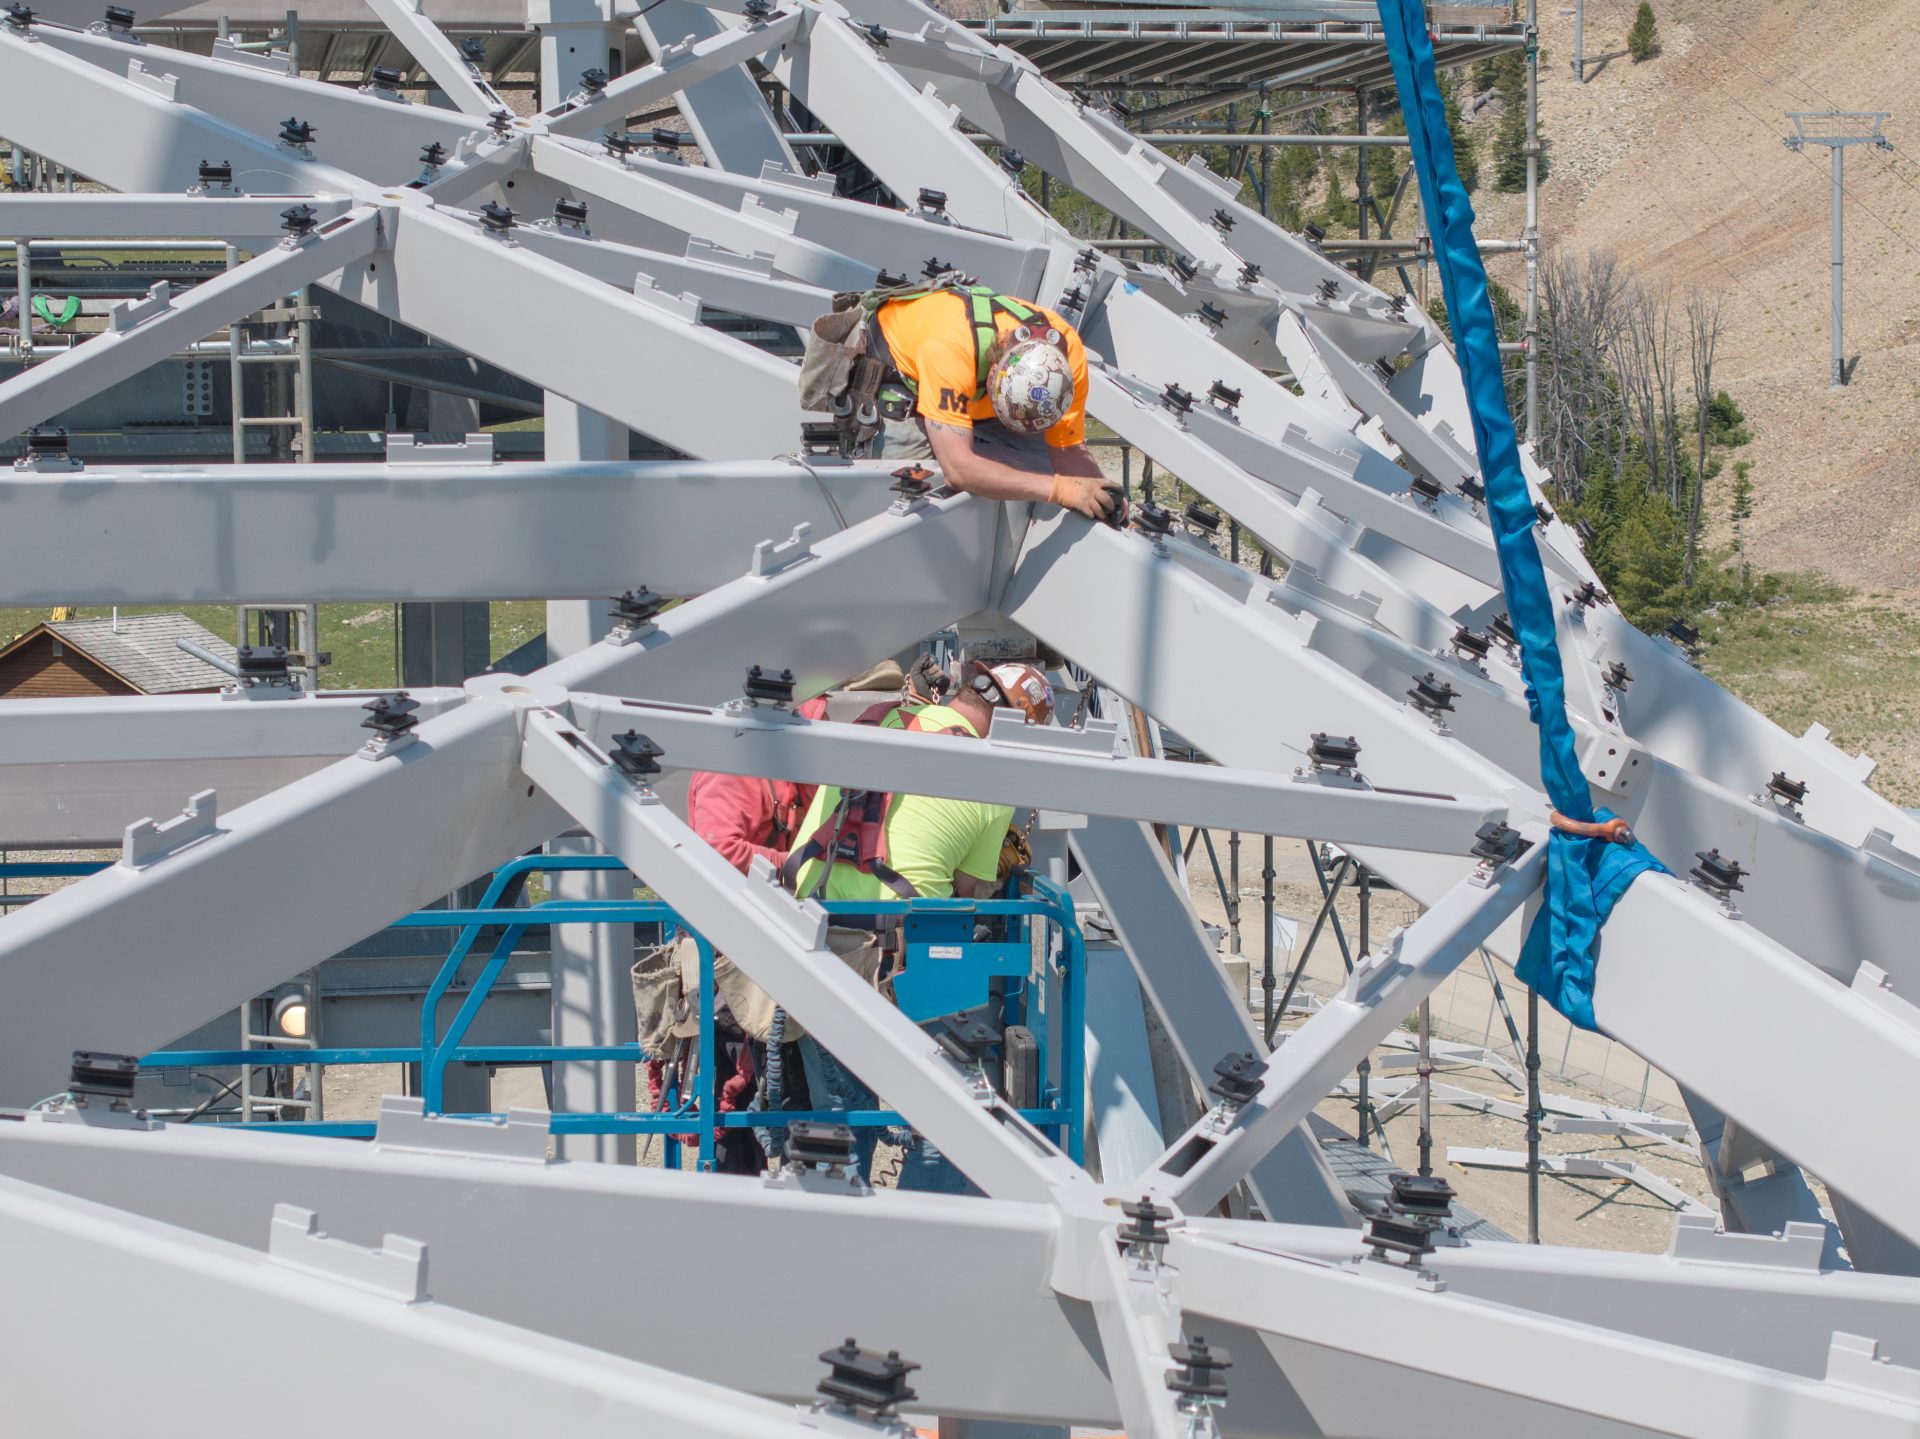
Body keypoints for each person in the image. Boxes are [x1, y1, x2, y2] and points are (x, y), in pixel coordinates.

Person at [783, 660, 1056, 1192]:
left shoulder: (887, 721)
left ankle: (826, 1228)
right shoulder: (992, 776)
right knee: (955, 1109)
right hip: (900, 951)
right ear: (1017, 726)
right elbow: (967, 890)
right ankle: (922, 1230)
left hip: (811, 930)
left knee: (841, 1108)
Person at [805, 279, 1123, 523]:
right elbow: (959, 469)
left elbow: (1067, 453)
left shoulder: (1067, 362)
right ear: (994, 372)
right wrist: (1061, 490)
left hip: (983, 384)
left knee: (1038, 478)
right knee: (912, 495)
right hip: (905, 382)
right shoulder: (950, 352)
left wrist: (1099, 494)